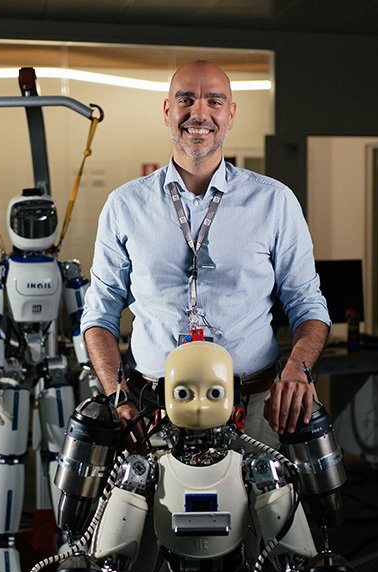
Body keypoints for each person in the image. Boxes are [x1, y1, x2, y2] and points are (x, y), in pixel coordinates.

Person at [80, 60, 330, 444]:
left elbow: (309, 305)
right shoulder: (125, 205)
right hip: (152, 412)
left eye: (214, 101)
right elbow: (99, 314)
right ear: (167, 111)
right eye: (186, 100)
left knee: (275, 505)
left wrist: (297, 370)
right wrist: (118, 393)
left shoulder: (274, 202)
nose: (199, 113)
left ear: (230, 115)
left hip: (254, 408)